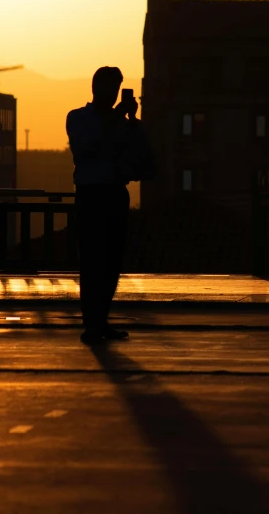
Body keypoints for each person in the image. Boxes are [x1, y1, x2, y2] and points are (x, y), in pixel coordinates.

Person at [66, 67, 154, 345]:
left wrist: (132, 122)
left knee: (112, 262)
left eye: (116, 88)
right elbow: (84, 148)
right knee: (92, 262)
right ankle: (92, 324)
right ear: (95, 87)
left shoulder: (124, 124)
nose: (112, 93)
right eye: (108, 87)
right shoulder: (78, 118)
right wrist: (116, 119)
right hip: (91, 195)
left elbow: (143, 160)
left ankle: (99, 321)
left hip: (115, 193)